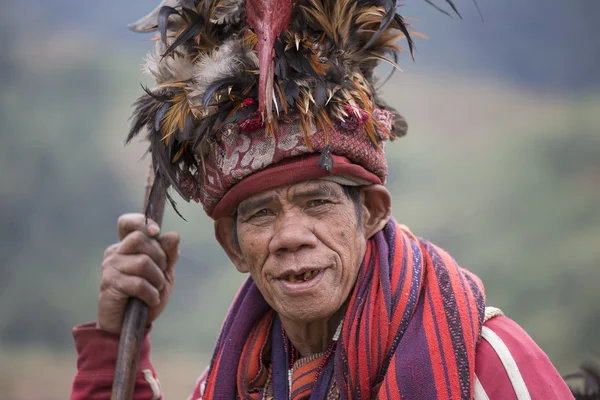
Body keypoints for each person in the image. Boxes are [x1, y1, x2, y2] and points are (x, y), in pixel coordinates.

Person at [70, 0, 575, 398]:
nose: (290, 236)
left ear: (372, 212)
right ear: (233, 246)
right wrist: (115, 344)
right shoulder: (235, 380)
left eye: (318, 203)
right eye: (262, 213)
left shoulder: (489, 365)